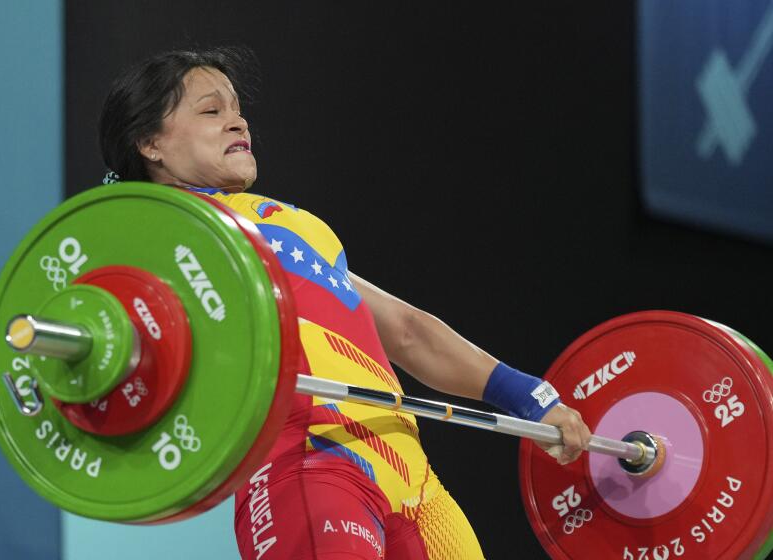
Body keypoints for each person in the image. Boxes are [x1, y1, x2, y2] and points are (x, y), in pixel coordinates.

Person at [99, 48, 591, 560]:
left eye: (237, 107)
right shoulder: (161, 236)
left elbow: (407, 331)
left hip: (413, 478)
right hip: (306, 463)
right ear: (150, 142)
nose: (237, 120)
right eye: (210, 110)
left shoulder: (291, 226)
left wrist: (532, 399)